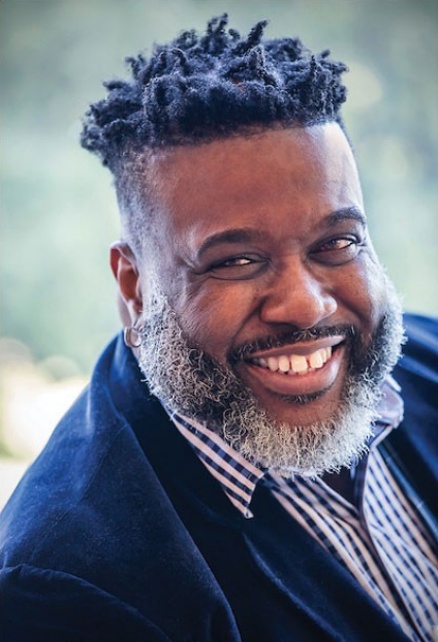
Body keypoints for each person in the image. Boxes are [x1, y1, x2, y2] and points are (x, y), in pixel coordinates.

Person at [1, 14, 437, 642]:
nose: (306, 306)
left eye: (336, 243)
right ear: (134, 289)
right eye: (236, 261)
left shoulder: (429, 360)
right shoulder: (66, 587)